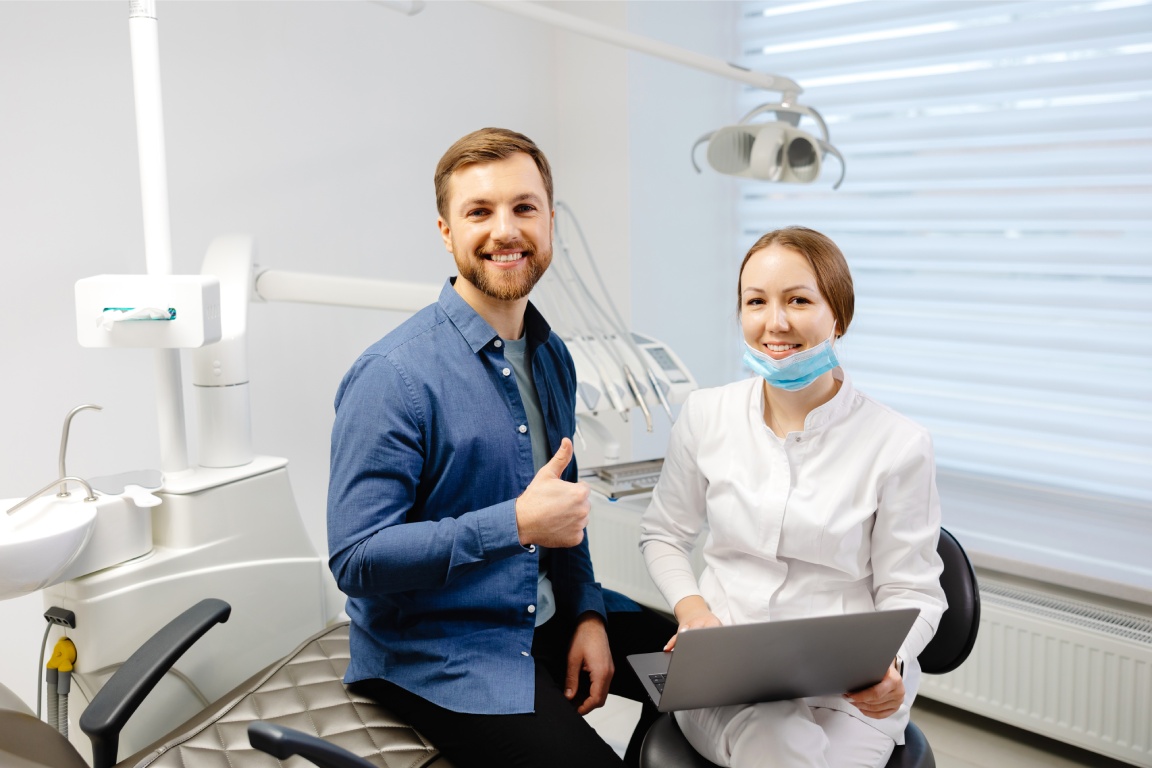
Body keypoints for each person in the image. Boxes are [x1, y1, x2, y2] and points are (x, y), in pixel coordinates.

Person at [327, 127, 674, 768]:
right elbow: (356, 558)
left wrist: (589, 614)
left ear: (548, 221)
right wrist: (513, 524)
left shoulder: (552, 355)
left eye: (524, 207)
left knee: (706, 681)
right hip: (446, 650)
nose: (505, 230)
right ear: (445, 231)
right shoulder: (391, 376)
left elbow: (563, 517)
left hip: (548, 612)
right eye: (479, 212)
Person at [638, 227, 947, 768]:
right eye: (756, 302)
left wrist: (891, 662)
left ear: (839, 317)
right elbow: (663, 533)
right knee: (776, 734)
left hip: (850, 694)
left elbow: (913, 589)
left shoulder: (898, 444)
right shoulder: (706, 415)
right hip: (726, 683)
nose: (774, 322)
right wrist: (693, 611)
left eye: (798, 300)